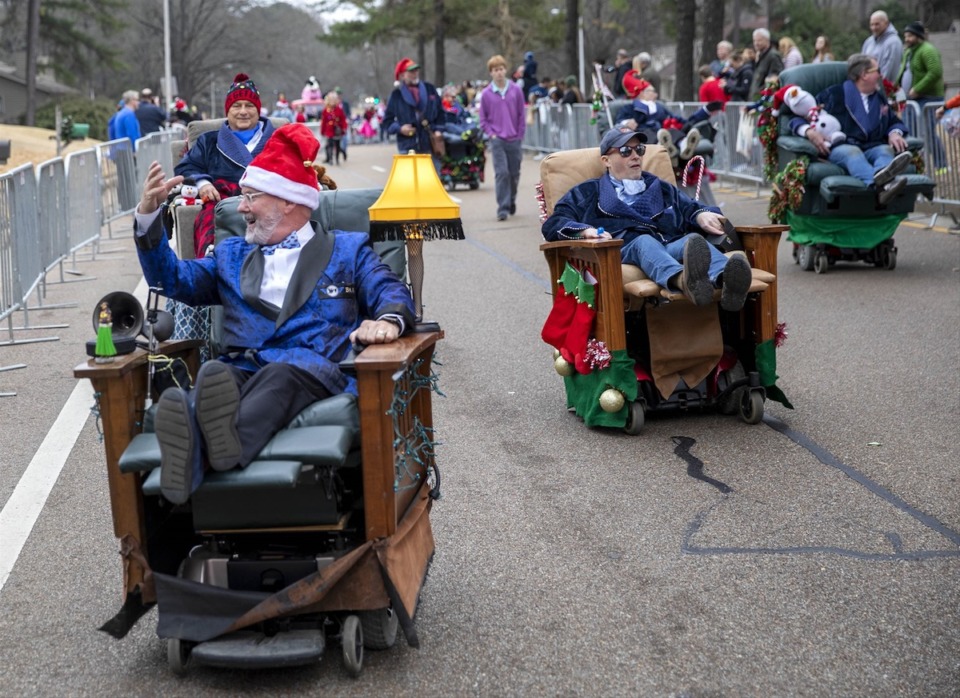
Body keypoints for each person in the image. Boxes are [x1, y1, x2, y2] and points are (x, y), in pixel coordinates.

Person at [133, 123, 416, 504]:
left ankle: (197, 449)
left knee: (280, 377)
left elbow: (389, 289)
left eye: (252, 197)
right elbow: (173, 281)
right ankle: (210, 441)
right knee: (219, 373)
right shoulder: (231, 254)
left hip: (311, 368)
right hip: (245, 367)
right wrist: (148, 220)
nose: (241, 207)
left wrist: (387, 321)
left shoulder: (347, 249)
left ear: (287, 201)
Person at [542, 127, 752, 312]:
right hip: (622, 248)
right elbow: (555, 222)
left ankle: (728, 281)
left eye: (639, 149)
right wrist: (585, 230)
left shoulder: (659, 186)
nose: (635, 156)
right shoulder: (588, 191)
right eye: (625, 151)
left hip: (667, 244)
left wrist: (701, 214)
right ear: (606, 160)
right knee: (644, 241)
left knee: (692, 240)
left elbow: (690, 207)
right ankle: (683, 280)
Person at [174, 72, 278, 258]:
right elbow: (187, 166)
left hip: (269, 200)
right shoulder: (208, 141)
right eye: (236, 106)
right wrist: (203, 184)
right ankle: (211, 266)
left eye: (249, 106)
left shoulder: (278, 139)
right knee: (209, 226)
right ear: (227, 112)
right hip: (221, 204)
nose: (243, 111)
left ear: (258, 110)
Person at [792, 54, 912, 205]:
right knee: (852, 153)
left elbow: (894, 121)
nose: (880, 75)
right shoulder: (834, 94)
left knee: (884, 150)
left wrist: (894, 132)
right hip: (841, 147)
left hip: (872, 146)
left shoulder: (879, 98)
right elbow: (800, 115)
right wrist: (808, 131)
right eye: (877, 70)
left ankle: (884, 181)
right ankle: (882, 187)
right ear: (864, 75)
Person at [615, 77, 717, 163]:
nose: (656, 95)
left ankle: (684, 144)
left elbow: (679, 120)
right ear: (642, 93)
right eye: (653, 91)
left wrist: (704, 111)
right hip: (643, 132)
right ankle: (662, 145)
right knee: (648, 133)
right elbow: (619, 120)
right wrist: (626, 123)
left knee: (672, 131)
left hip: (663, 131)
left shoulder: (660, 107)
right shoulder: (630, 106)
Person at [478, 54, 527, 222]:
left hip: (514, 138)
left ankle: (511, 199)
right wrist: (491, 134)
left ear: (505, 70)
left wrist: (520, 134)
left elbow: (522, 114)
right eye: (495, 70)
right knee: (502, 173)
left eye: (501, 69)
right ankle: (503, 208)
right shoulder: (486, 94)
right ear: (491, 73)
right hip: (497, 139)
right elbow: (482, 119)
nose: (499, 73)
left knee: (514, 173)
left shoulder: (516, 90)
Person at [898, 22, 945, 170]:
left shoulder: (927, 50)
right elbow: (902, 72)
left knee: (928, 133)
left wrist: (918, 88)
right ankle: (917, 166)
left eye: (910, 36)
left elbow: (935, 72)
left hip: (928, 98)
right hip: (910, 101)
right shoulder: (909, 52)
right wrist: (895, 89)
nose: (907, 39)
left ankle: (941, 165)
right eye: (906, 36)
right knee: (910, 133)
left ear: (919, 36)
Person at [383, 57, 444, 161]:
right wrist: (400, 129)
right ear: (402, 75)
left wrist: (439, 130)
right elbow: (387, 122)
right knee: (410, 177)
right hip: (407, 146)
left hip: (430, 144)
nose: (415, 73)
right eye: (411, 71)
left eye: (416, 70)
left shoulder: (430, 89)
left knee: (432, 177)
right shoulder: (396, 95)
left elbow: (441, 113)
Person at [861, 11, 903, 83]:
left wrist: (880, 88)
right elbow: (861, 63)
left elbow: (889, 71)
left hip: (884, 88)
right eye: (872, 25)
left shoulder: (893, 43)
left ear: (886, 23)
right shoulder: (868, 42)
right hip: (867, 86)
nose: (874, 28)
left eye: (877, 24)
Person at [749, 29, 784, 100]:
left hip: (764, 102)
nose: (756, 43)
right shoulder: (760, 56)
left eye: (759, 40)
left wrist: (761, 94)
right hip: (756, 99)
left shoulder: (773, 56)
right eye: (754, 41)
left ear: (767, 40)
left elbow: (775, 79)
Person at [320, 91, 348, 165]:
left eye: (334, 99)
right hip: (329, 130)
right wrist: (322, 131)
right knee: (330, 145)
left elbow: (343, 119)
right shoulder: (325, 110)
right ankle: (330, 159)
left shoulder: (339, 109)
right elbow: (323, 121)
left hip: (337, 130)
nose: (332, 101)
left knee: (337, 145)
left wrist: (344, 128)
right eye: (331, 99)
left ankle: (337, 159)